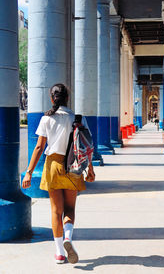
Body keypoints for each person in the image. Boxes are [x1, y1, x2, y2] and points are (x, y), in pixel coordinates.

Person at [22, 83, 95, 264]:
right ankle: (68, 237)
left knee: (56, 211)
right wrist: (90, 169)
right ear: (67, 98)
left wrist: (29, 172)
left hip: (53, 165)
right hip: (73, 166)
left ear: (51, 98)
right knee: (70, 209)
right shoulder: (78, 118)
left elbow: (39, 147)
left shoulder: (46, 119)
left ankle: (59, 252)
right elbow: (87, 146)